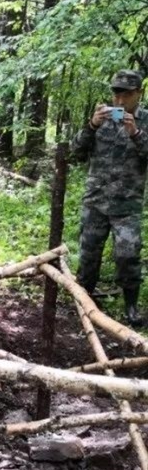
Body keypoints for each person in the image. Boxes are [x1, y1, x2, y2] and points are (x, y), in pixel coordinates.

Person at [71, 69, 148, 327]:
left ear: (138, 93)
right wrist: (92, 125)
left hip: (127, 205)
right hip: (95, 202)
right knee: (88, 255)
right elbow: (75, 153)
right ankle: (86, 303)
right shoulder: (100, 119)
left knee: (128, 256)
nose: (120, 100)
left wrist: (136, 134)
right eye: (116, 93)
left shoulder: (145, 120)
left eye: (126, 94)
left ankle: (131, 308)